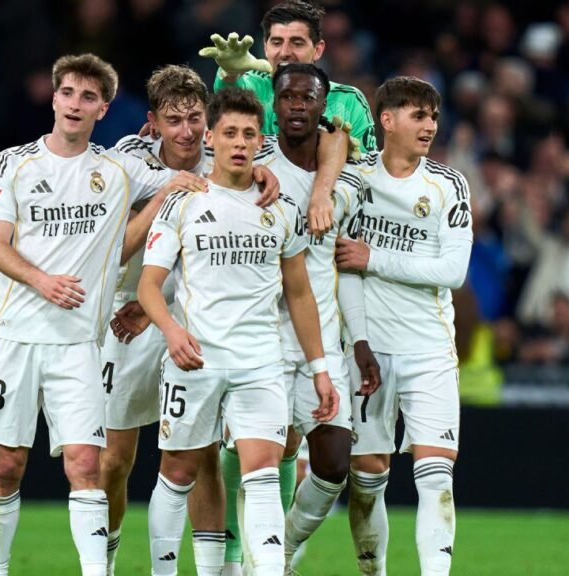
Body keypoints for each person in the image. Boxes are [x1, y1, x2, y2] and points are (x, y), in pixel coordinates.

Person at [0, 52, 208, 576]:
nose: (76, 103)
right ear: (54, 98)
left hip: (79, 344)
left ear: (103, 108)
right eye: (68, 93)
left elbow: (171, 192)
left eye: (88, 97)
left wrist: (172, 190)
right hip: (15, 337)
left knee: (87, 465)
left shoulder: (115, 170)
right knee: (6, 465)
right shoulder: (14, 163)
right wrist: (43, 280)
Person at [138, 86, 338, 576]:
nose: (240, 142)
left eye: (250, 133)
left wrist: (319, 368)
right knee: (179, 472)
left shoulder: (280, 207)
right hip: (196, 358)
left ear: (260, 140)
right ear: (211, 138)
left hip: (260, 362)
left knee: (263, 474)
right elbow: (148, 286)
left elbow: (299, 293)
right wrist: (170, 331)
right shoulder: (182, 202)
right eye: (229, 132)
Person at [99, 64, 279, 576]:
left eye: (195, 119)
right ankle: (104, 560)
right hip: (127, 317)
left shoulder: (231, 155)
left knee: (197, 456)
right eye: (173, 121)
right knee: (114, 459)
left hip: (190, 319)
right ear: (151, 124)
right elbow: (112, 255)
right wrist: (164, 195)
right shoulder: (126, 162)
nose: (186, 132)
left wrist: (267, 172)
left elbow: (273, 162)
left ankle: (214, 569)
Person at [335, 77, 473, 575]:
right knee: (367, 477)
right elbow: (343, 268)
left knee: (436, 475)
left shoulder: (448, 185)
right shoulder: (351, 180)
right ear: (386, 121)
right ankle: (373, 571)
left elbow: (451, 272)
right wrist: (360, 340)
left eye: (433, 116)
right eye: (418, 115)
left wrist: (375, 257)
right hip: (368, 348)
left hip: (430, 348)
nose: (430, 126)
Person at [255, 62, 382, 570]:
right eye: (287, 97)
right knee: (255, 463)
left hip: (321, 344)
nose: (296, 106)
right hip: (259, 340)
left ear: (322, 106)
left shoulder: (346, 184)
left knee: (332, 467)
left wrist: (359, 341)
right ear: (276, 104)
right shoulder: (253, 168)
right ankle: (242, 560)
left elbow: (345, 266)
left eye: (307, 98)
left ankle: (281, 551)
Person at [200, 0, 373, 239]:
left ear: (318, 49)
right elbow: (227, 99)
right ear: (265, 46)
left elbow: (366, 178)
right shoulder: (252, 87)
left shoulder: (349, 101)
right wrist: (229, 73)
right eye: (276, 42)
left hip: (324, 228)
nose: (285, 52)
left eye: (297, 42)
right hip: (257, 223)